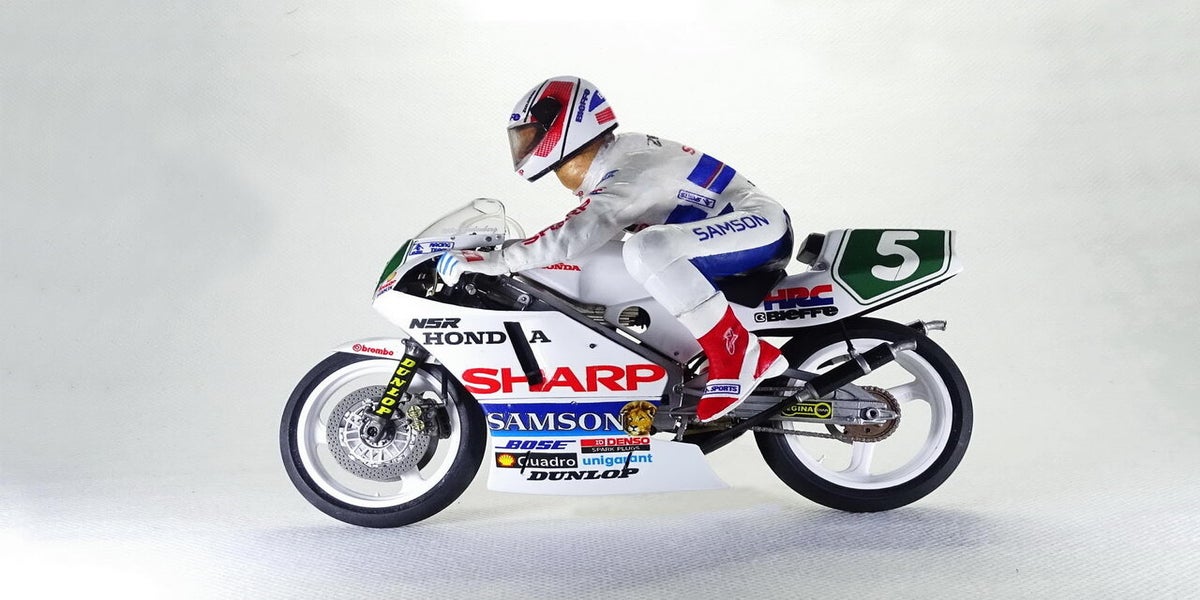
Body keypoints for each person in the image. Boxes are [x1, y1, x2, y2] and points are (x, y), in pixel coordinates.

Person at [436, 76, 793, 422]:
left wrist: (499, 260)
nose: (525, 148)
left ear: (563, 125)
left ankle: (739, 353)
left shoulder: (629, 169)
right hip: (723, 240)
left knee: (645, 249)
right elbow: (582, 240)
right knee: (615, 259)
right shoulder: (616, 158)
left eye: (531, 136)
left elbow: (575, 233)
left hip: (759, 227)